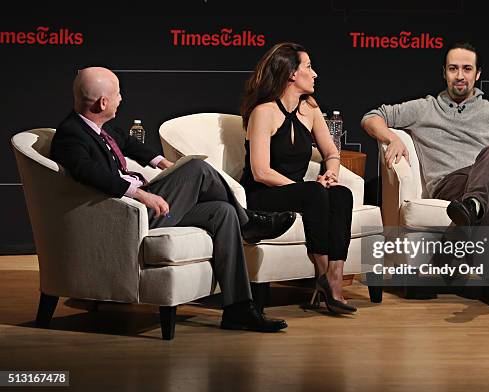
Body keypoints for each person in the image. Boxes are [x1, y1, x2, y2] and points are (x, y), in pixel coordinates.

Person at [50, 66, 296, 332]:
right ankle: (248, 223)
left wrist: (162, 162)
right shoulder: (71, 135)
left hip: (143, 209)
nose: (122, 98)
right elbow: (89, 173)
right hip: (128, 217)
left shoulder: (100, 129)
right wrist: (141, 194)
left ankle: (238, 310)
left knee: (222, 212)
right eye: (118, 93)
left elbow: (130, 144)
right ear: (103, 102)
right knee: (197, 169)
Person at [361, 42, 489, 309]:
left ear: (477, 74)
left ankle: (470, 211)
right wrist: (392, 139)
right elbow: (372, 116)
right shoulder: (425, 108)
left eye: (467, 69)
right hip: (451, 185)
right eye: (453, 69)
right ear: (444, 72)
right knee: (484, 193)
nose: (460, 75)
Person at [240, 42, 356, 314]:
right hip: (262, 193)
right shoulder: (263, 112)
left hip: (299, 192)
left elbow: (331, 152)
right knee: (314, 193)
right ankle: (323, 275)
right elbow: (261, 171)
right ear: (292, 74)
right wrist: (305, 189)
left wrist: (331, 173)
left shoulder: (311, 110)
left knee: (341, 193)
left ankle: (334, 279)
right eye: (309, 67)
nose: (315, 74)